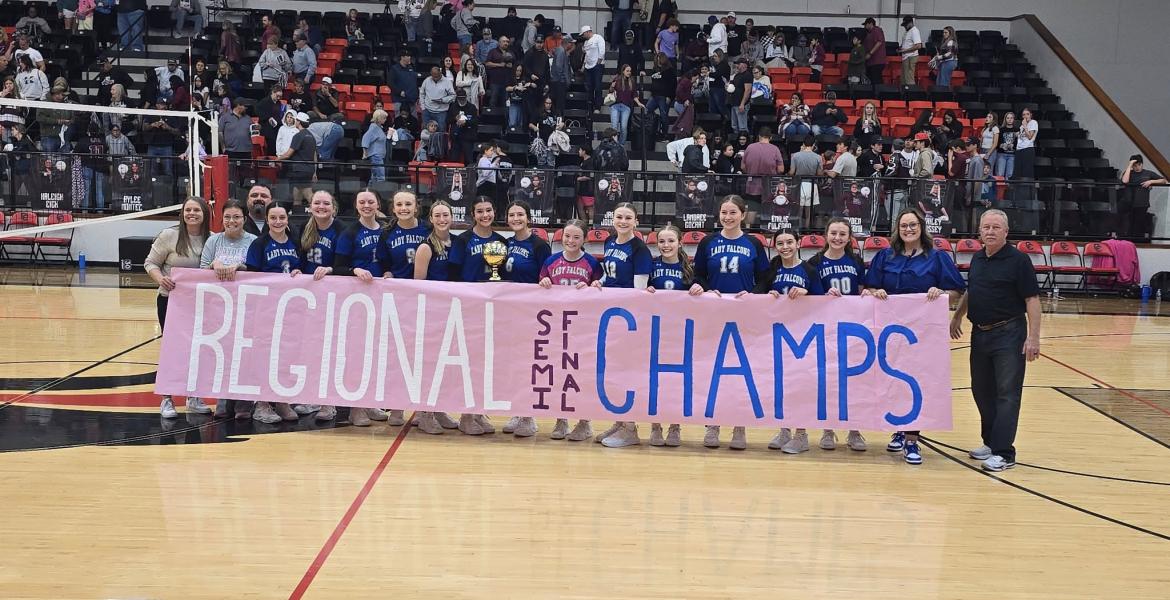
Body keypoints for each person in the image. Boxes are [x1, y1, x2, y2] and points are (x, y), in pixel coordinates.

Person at [864, 209, 966, 464]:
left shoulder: (937, 258)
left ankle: (912, 440)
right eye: (903, 225)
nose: (908, 229)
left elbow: (956, 290)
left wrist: (940, 291)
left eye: (913, 225)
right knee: (893, 379)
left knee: (917, 380)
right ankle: (900, 426)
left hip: (922, 333)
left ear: (921, 227)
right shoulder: (885, 256)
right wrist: (875, 292)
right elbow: (869, 286)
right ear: (897, 229)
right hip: (888, 331)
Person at [949, 209, 1041, 471]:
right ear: (979, 231)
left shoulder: (1019, 261)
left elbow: (1032, 300)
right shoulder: (978, 258)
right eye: (986, 227)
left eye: (996, 228)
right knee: (981, 390)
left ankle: (1004, 452)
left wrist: (1033, 338)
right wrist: (957, 316)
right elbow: (972, 290)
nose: (990, 231)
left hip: (1009, 334)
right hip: (980, 333)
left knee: (1007, 394)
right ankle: (990, 442)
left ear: (1006, 232)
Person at [688, 196, 770, 450]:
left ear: (743, 215)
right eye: (724, 212)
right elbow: (699, 273)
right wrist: (701, 287)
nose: (727, 217)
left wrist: (753, 293)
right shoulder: (709, 242)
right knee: (713, 370)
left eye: (733, 212)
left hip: (745, 314)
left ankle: (739, 424)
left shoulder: (754, 243)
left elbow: (765, 277)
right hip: (714, 313)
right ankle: (712, 423)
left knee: (741, 371)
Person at [791, 217, 868, 452]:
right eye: (833, 233)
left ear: (849, 237)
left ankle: (854, 429)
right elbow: (812, 295)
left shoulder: (856, 261)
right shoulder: (814, 262)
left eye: (842, 234)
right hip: (824, 330)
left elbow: (863, 290)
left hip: (851, 328)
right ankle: (828, 430)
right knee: (826, 380)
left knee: (851, 382)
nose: (837, 238)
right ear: (826, 235)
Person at [756, 227, 825, 451]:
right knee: (780, 384)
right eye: (780, 243)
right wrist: (769, 295)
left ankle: (802, 434)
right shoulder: (771, 269)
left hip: (803, 335)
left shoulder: (809, 270)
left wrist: (809, 295)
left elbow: (823, 302)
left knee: (800, 384)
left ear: (798, 243)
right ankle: (785, 429)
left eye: (789, 242)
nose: (785, 247)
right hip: (776, 334)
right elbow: (759, 293)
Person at [592, 203, 653, 447]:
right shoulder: (609, 242)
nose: (623, 221)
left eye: (628, 218)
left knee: (627, 370)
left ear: (636, 221)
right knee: (612, 369)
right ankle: (619, 421)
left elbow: (638, 290)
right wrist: (599, 283)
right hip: (610, 312)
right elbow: (609, 275)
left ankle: (630, 428)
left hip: (628, 317)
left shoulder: (639, 249)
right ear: (612, 219)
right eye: (619, 217)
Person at [145, 198, 211, 419]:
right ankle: (167, 399)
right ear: (182, 213)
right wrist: (161, 278)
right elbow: (150, 263)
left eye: (196, 210)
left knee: (198, 350)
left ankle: (193, 397)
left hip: (199, 304)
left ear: (205, 214)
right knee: (171, 351)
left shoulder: (212, 239)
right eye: (188, 210)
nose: (192, 213)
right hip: (170, 301)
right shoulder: (169, 235)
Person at [449, 196, 507, 435]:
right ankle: (466, 414)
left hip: (492, 308)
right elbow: (453, 274)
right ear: (473, 214)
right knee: (468, 362)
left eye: (489, 210)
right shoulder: (463, 240)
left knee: (487, 362)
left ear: (494, 211)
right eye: (480, 211)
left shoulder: (501, 241)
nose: (485, 215)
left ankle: (478, 411)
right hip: (467, 307)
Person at [498, 200, 553, 437]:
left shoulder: (539, 245)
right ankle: (516, 410)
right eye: (512, 215)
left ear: (528, 218)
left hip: (532, 311)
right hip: (509, 310)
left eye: (520, 214)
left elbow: (547, 275)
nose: (516, 218)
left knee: (528, 363)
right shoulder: (505, 243)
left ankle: (528, 415)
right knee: (511, 361)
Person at [409, 200, 462, 434]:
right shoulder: (425, 246)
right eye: (437, 216)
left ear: (452, 217)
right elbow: (418, 285)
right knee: (428, 363)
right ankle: (424, 413)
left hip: (452, 310)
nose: (442, 219)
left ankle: (439, 408)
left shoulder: (458, 242)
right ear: (430, 219)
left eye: (445, 215)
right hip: (431, 312)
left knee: (445, 364)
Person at [645, 224, 691, 446]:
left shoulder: (690, 268)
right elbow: (639, 293)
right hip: (655, 330)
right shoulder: (651, 266)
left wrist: (698, 289)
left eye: (671, 241)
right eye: (661, 241)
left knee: (675, 380)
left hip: (680, 331)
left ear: (679, 243)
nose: (666, 245)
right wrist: (647, 291)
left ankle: (674, 425)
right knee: (654, 379)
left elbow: (702, 292)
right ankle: (655, 426)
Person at [740, 128, 785, 220]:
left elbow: (743, 167)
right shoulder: (775, 149)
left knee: (752, 209)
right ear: (770, 137)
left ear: (759, 136)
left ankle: (749, 230)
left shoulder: (750, 147)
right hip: (769, 186)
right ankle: (767, 232)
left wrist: (751, 171)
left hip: (752, 184)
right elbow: (781, 169)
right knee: (769, 210)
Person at [1120, 154, 1166, 238]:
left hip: (1142, 204)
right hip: (1129, 204)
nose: (1137, 167)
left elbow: (1163, 180)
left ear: (1142, 164)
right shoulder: (1128, 172)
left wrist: (1151, 182)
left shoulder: (1147, 173)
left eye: (1139, 165)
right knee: (1128, 226)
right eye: (1134, 165)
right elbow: (1124, 181)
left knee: (1139, 226)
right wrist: (1130, 165)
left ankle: (1138, 243)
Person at [789, 136, 824, 225]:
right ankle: (807, 231)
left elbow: (792, 172)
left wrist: (787, 174)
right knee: (808, 212)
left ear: (803, 144)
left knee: (799, 210)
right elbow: (820, 174)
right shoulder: (818, 157)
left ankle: (798, 230)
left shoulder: (795, 155)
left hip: (799, 185)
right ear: (813, 145)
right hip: (812, 185)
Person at [608, 64, 643, 144]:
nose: (629, 72)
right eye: (627, 71)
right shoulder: (617, 79)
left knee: (624, 127)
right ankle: (614, 145)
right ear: (623, 71)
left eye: (630, 71)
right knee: (614, 127)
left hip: (626, 106)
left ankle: (621, 146)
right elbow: (610, 92)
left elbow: (634, 94)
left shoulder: (632, 81)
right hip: (615, 105)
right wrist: (612, 87)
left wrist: (638, 103)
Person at [580, 26, 606, 109]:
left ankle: (598, 106)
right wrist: (584, 66)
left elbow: (602, 50)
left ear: (587, 32)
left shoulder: (598, 38)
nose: (583, 36)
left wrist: (599, 62)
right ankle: (590, 106)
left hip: (597, 66)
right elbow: (586, 55)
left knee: (598, 86)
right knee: (589, 87)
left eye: (583, 34)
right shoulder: (586, 42)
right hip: (588, 66)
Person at [362, 109, 389, 183]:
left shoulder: (379, 128)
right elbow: (365, 138)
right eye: (384, 118)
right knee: (380, 178)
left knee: (374, 178)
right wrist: (365, 152)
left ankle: (369, 192)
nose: (385, 120)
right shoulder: (374, 128)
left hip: (378, 156)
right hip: (376, 156)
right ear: (379, 118)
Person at [899, 15, 923, 86]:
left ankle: (911, 95)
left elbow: (918, 46)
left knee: (909, 79)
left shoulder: (914, 31)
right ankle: (905, 95)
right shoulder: (907, 31)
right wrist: (901, 48)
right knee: (903, 79)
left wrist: (904, 51)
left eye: (906, 25)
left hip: (910, 57)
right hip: (906, 57)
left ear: (910, 23)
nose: (905, 27)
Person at [862, 17, 886, 85]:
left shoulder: (876, 30)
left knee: (876, 80)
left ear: (870, 24)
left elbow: (879, 42)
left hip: (877, 61)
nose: (865, 26)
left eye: (866, 24)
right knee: (872, 79)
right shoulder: (869, 33)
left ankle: (878, 93)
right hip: (871, 62)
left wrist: (870, 53)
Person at [994, 111, 1018, 178]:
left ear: (1013, 119)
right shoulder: (1001, 129)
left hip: (1012, 155)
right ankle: (999, 188)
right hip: (1001, 154)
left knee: (1009, 175)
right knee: (1000, 174)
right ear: (1005, 119)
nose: (1010, 119)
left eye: (1011, 118)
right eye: (1008, 118)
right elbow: (997, 142)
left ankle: (1007, 188)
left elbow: (1018, 143)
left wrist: (1013, 145)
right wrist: (1001, 145)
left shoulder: (1017, 130)